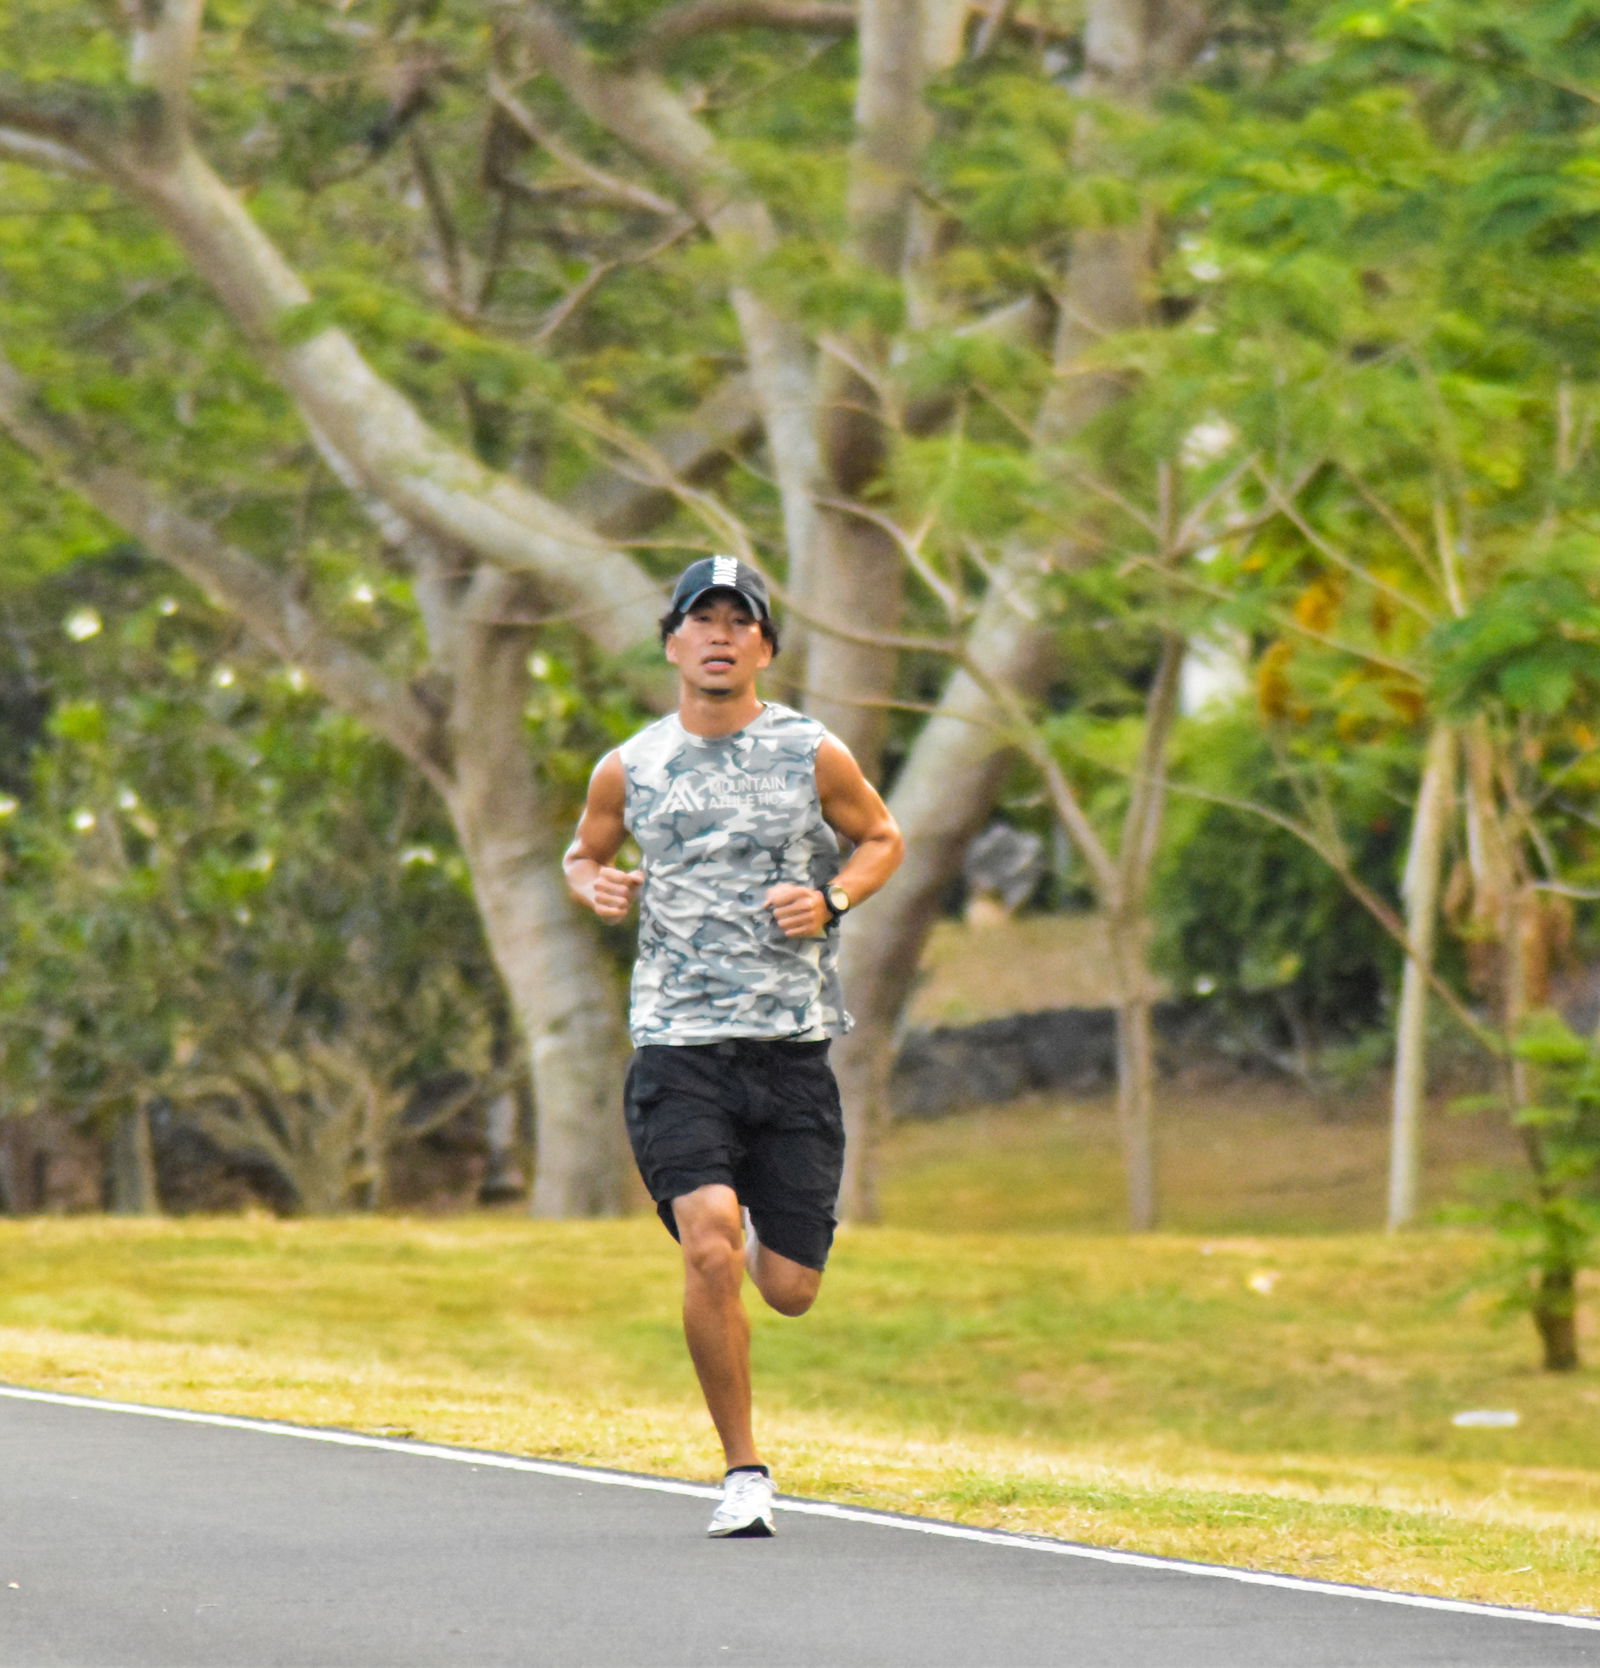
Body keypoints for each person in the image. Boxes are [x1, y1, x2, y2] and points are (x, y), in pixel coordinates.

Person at [563, 554, 904, 1538]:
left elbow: (882, 839)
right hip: (678, 1050)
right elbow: (583, 850)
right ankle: (743, 1471)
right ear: (671, 642)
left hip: (790, 1051)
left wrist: (834, 897)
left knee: (787, 1289)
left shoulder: (812, 752)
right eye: (699, 619)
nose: (718, 635)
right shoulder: (630, 766)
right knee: (708, 1243)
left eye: (737, 621)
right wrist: (594, 882)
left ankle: (762, 1229)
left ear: (764, 645)